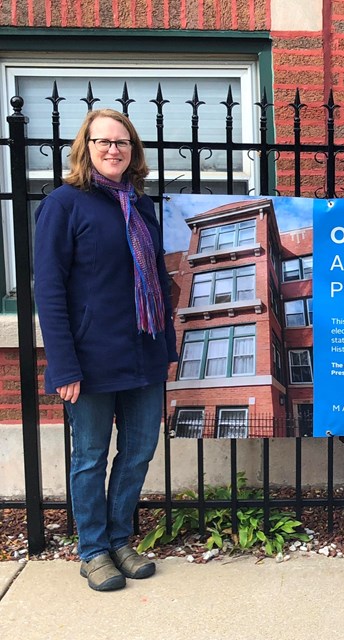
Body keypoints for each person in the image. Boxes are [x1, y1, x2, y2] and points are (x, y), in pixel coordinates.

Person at [34, 108, 178, 592]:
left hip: (144, 353)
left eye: (123, 142)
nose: (114, 149)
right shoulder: (64, 204)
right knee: (91, 457)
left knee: (138, 452)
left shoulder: (141, 207)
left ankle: (120, 540)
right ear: (86, 146)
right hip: (90, 360)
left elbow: (159, 280)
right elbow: (49, 290)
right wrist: (63, 364)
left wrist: (168, 348)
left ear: (133, 151)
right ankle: (93, 549)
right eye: (104, 141)